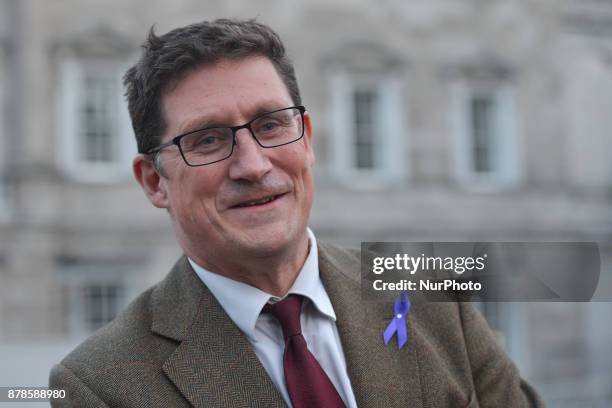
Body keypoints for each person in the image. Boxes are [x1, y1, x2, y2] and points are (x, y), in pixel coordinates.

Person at [49, 19, 544, 407]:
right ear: (155, 181)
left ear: (306, 138)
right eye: (208, 139)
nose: (253, 165)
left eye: (270, 125)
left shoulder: (431, 299)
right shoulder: (97, 388)